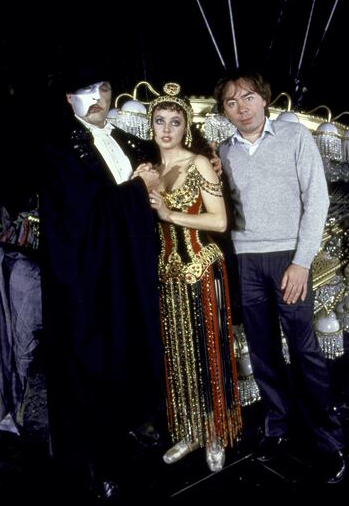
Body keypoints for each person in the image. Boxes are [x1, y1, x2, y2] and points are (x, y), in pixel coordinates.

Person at [214, 69, 346, 484]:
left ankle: (328, 439)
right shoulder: (223, 151)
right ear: (224, 112)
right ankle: (277, 426)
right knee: (263, 351)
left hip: (289, 259)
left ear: (264, 99)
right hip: (247, 262)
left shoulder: (294, 138)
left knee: (304, 350)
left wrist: (302, 261)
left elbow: (318, 200)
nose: (242, 108)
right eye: (231, 103)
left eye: (248, 97)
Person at [37, 70, 165, 499]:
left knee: (127, 351)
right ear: (70, 97)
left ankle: (130, 430)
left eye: (105, 89)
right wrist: (137, 188)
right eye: (87, 92)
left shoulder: (125, 139)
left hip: (124, 271)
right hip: (85, 280)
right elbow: (81, 217)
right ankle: (94, 463)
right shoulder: (59, 149)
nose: (98, 98)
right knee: (91, 363)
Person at [142, 83, 243, 473]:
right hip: (167, 274)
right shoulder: (151, 170)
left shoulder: (199, 163)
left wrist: (170, 215)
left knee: (208, 352)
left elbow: (219, 221)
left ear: (186, 127)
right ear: (150, 126)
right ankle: (189, 430)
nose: (167, 129)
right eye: (160, 121)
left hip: (203, 268)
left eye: (175, 122)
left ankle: (216, 433)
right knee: (179, 355)